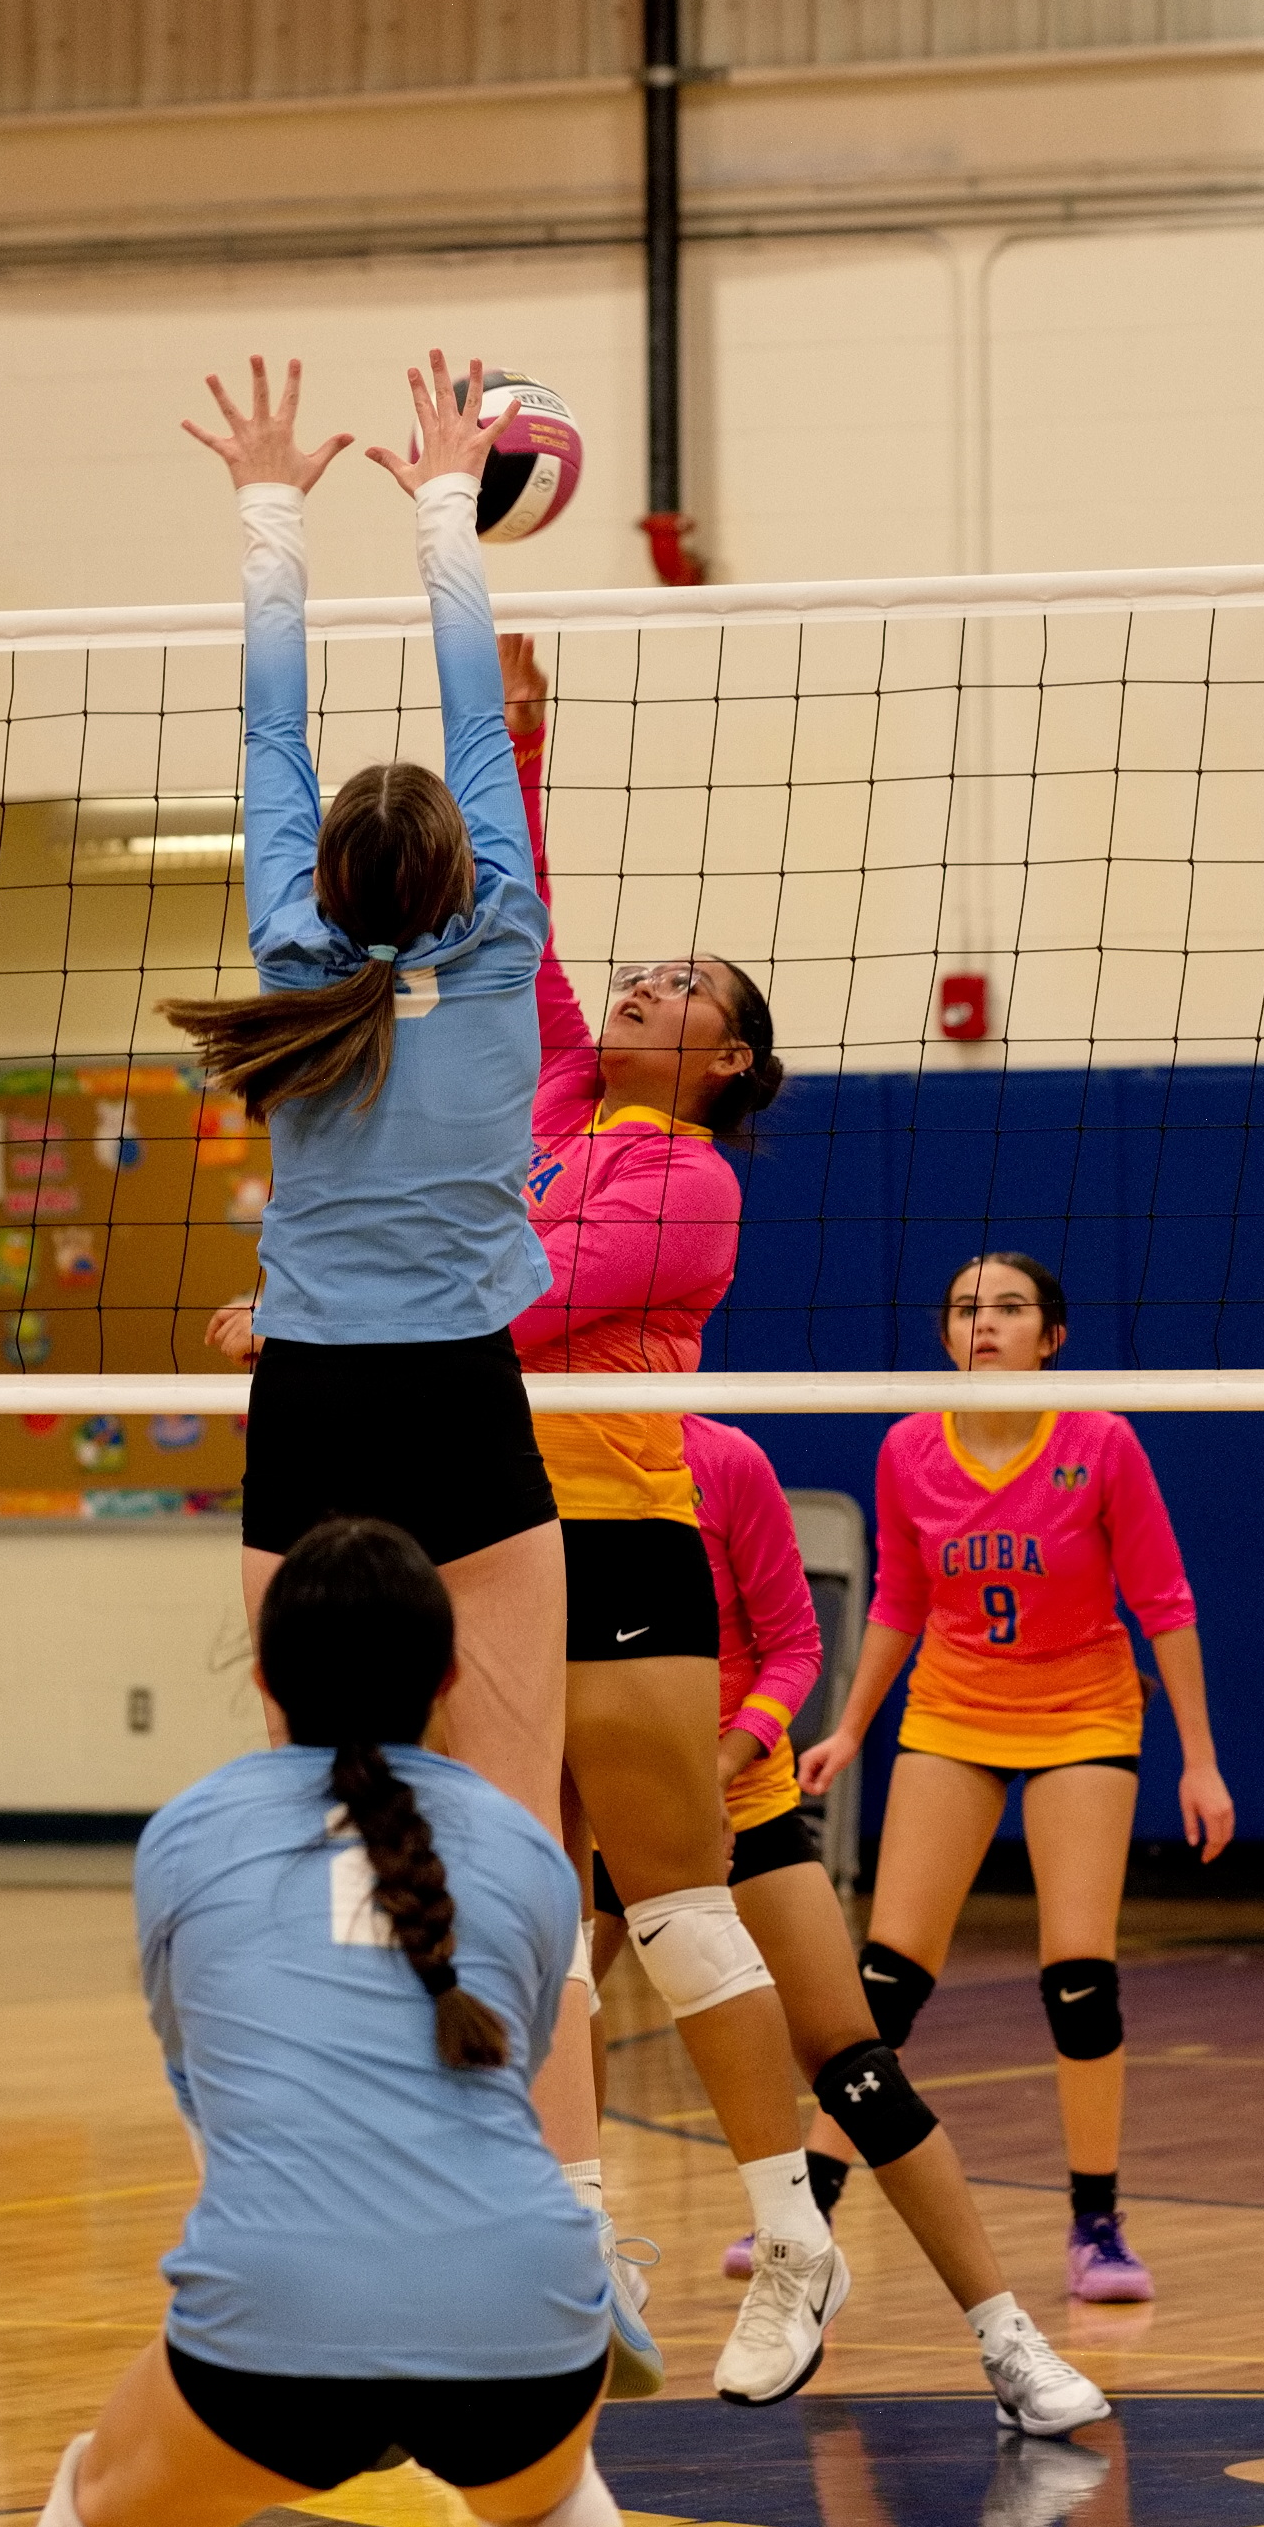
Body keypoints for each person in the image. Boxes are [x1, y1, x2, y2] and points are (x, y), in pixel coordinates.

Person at [165, 356, 622, 2336]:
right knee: (515, 1829)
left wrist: (271, 509)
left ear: (326, 890)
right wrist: (444, 502)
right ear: (458, 872)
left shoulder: (290, 960)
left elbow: (269, 737)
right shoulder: (505, 943)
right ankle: (572, 2241)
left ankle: (321, 2205)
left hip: (310, 1415)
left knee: (305, 1820)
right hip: (458, 1408)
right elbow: (453, 721)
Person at [0, 1517, 656, 2527]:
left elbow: (207, 2085)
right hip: (523, 2306)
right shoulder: (527, 1850)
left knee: (99, 2526)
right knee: (549, 2513)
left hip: (276, 2314)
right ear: (447, 1677)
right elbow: (498, 2085)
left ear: (262, 1674)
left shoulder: (185, 1835)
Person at [504, 650, 848, 2407]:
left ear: (724, 1060)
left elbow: (521, 1307)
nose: (649, 981)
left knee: (673, 1908)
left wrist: (329, 1308)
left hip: (627, 1541)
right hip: (500, 1540)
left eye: (686, 987)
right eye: (649, 970)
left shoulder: (687, 1182)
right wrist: (513, 739)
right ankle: (577, 2241)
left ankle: (790, 2232)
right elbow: (523, 928)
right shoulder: (564, 1105)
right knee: (525, 1907)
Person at [589, 1413, 1110, 2435]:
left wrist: (719, 1768)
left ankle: (1007, 2337)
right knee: (535, 2030)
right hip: (595, 1811)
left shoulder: (723, 1462)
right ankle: (582, 2256)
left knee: (857, 2071)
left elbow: (793, 1650)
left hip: (735, 1805)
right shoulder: (533, 1458)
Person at [799, 1250, 1234, 2301]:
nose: (983, 1323)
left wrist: (1201, 1762)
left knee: (1078, 1977)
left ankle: (1097, 2226)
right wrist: (850, 1728)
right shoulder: (909, 1446)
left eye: (1007, 1307)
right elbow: (899, 1599)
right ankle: (808, 2208)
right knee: (885, 1978)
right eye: (964, 1309)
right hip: (954, 1709)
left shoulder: (1100, 1441)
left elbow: (1164, 1603)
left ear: (1053, 1336)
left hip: (1083, 1711)